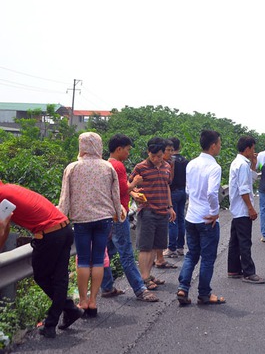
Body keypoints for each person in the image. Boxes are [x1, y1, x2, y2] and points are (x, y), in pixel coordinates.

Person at [0, 182, 83, 338]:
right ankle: (61, 317)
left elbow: (2, 227)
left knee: (42, 276)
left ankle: (64, 313)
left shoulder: (1, 197)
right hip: (65, 229)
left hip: (50, 236)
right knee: (59, 279)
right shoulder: (8, 189)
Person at [58, 132, 121, 318]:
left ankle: (83, 301)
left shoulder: (72, 168)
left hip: (81, 220)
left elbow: (65, 198)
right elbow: (115, 196)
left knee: (84, 260)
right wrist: (119, 213)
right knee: (99, 259)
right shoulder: (108, 167)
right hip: (104, 219)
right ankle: (94, 301)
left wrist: (60, 218)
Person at [99, 134, 159, 302]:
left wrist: (132, 191)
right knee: (126, 253)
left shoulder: (106, 164)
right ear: (119, 149)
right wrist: (135, 183)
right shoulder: (117, 165)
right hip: (119, 214)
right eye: (127, 150)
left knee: (108, 252)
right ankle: (140, 289)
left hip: (108, 214)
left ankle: (107, 286)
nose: (128, 153)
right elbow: (121, 190)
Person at [176, 130, 226, 305]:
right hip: (207, 219)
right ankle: (204, 294)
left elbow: (188, 190)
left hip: (191, 216)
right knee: (208, 257)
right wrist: (214, 211)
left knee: (191, 254)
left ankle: (183, 288)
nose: (220, 146)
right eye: (219, 143)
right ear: (213, 145)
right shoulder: (214, 167)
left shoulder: (192, 164)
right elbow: (212, 192)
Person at [129, 137, 176, 290]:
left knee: (157, 246)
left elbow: (166, 186)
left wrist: (170, 207)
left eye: (159, 156)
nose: (156, 159)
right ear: (148, 152)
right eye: (153, 156)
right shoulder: (140, 167)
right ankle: (144, 278)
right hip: (147, 211)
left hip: (163, 210)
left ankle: (148, 275)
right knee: (145, 247)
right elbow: (129, 186)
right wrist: (135, 193)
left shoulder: (167, 166)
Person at [227, 136, 264, 284]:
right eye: (253, 148)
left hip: (237, 208)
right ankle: (248, 272)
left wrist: (254, 165)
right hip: (242, 208)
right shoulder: (242, 164)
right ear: (247, 148)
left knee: (235, 240)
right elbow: (244, 189)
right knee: (244, 241)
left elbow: (250, 180)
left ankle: (233, 269)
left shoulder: (240, 163)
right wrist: (250, 208)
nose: (254, 152)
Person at [153, 139, 178, 269]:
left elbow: (169, 183)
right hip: (153, 204)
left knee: (161, 234)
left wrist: (170, 206)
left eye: (171, 150)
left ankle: (160, 258)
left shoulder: (168, 165)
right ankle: (155, 260)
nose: (170, 153)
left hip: (165, 201)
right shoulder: (149, 165)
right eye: (168, 150)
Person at [165, 137, 188, 258]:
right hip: (183, 191)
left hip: (172, 192)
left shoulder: (169, 162)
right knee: (180, 219)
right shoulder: (185, 161)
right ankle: (180, 247)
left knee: (172, 220)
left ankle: (172, 248)